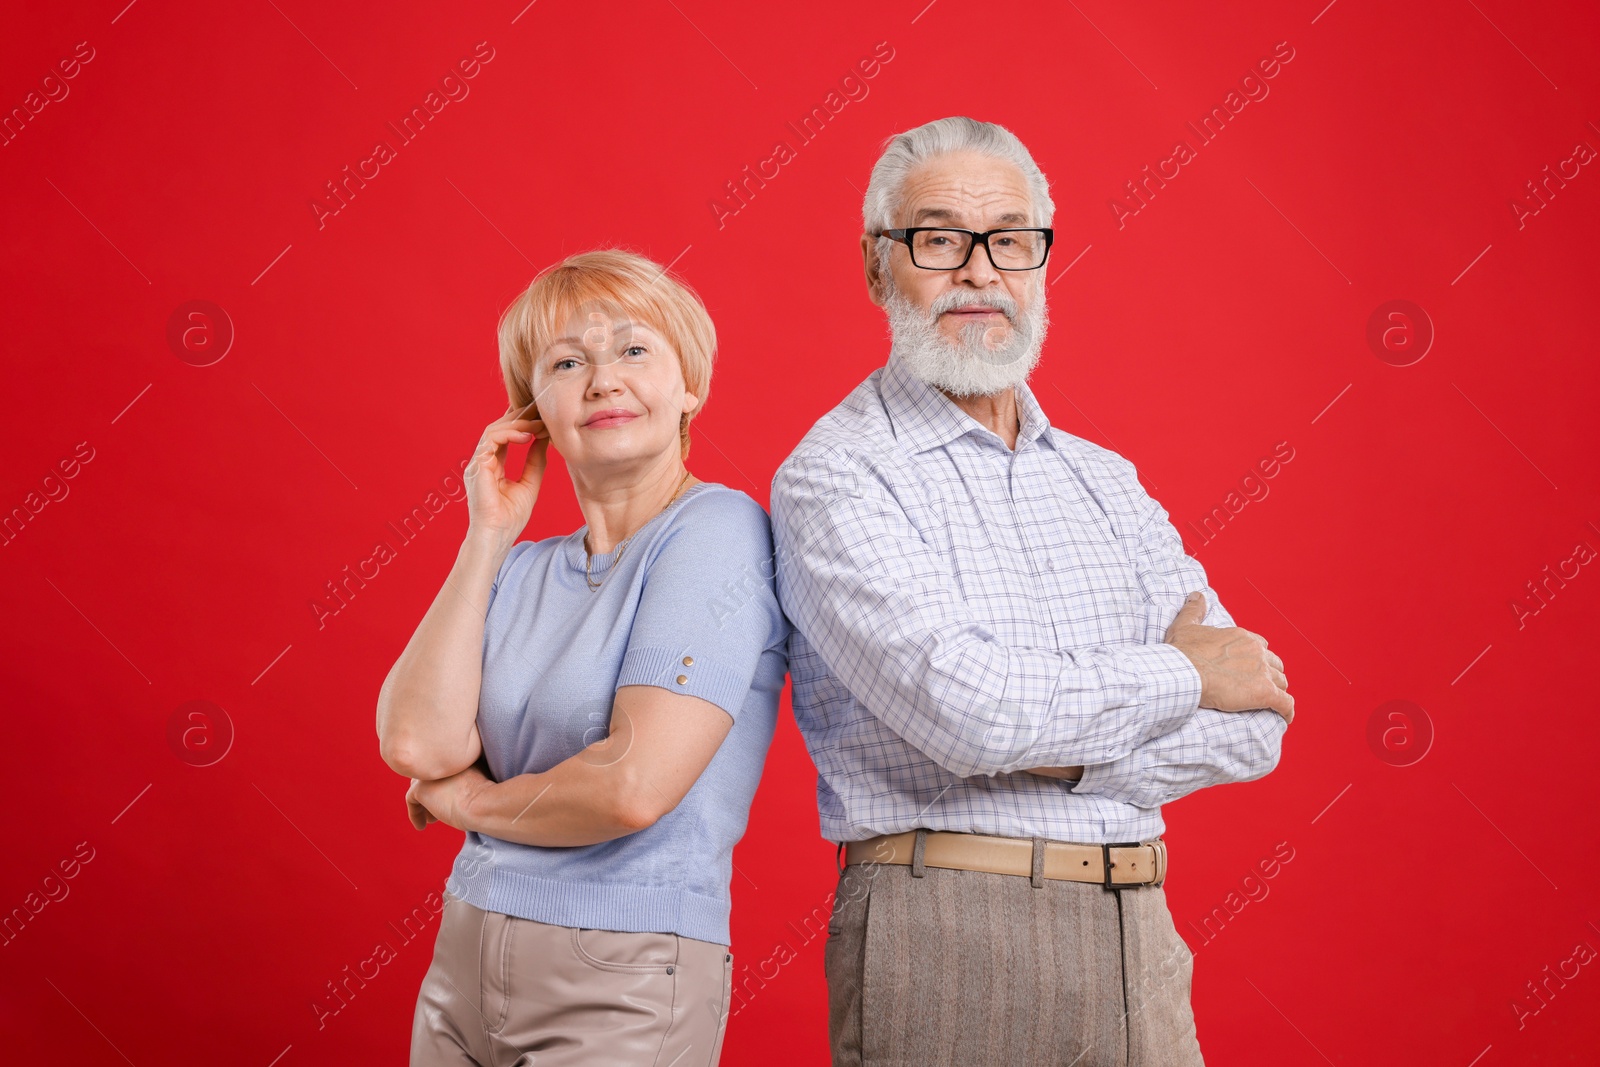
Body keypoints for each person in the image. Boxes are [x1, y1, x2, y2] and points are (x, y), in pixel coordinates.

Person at [768, 116, 1295, 1066]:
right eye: (939, 239)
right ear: (877, 266)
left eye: (1010, 239)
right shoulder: (838, 474)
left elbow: (1254, 720)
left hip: (1143, 934)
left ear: (1041, 262)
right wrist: (1177, 676)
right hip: (950, 939)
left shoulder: (1107, 480)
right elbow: (968, 711)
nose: (981, 271)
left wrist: (1050, 734)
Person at [377, 249, 790, 1066]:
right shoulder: (523, 567)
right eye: (568, 362)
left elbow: (631, 787)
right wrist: (487, 535)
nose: (602, 379)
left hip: (623, 972)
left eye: (635, 350)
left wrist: (464, 806)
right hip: (465, 955)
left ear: (690, 388)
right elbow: (418, 745)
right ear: (535, 411)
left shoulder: (718, 533)